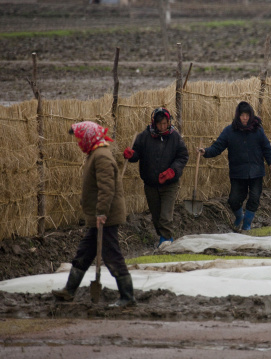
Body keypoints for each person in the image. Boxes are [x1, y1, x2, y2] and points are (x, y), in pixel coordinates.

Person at [52, 121, 136, 307]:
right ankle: (69, 290)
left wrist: (101, 213)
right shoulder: (94, 154)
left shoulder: (102, 157)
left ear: (88, 137)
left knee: (112, 255)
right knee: (84, 252)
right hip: (98, 216)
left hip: (106, 217)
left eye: (80, 138)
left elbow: (106, 188)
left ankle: (127, 297)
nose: (78, 142)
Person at [198, 101, 271, 231]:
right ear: (238, 116)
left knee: (254, 198)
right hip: (238, 172)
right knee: (234, 200)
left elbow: (266, 148)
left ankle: (246, 226)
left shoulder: (258, 130)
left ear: (251, 115)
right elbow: (217, 147)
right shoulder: (229, 131)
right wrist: (206, 152)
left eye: (247, 115)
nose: (245, 118)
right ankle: (239, 217)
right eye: (242, 115)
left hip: (256, 171)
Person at [123, 107, 189, 247]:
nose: (163, 126)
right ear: (154, 123)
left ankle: (166, 241)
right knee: (156, 217)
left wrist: (172, 171)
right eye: (160, 124)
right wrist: (131, 154)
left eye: (165, 123)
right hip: (151, 184)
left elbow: (183, 156)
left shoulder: (175, 137)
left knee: (165, 217)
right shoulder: (144, 137)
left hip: (169, 184)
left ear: (169, 122)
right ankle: (164, 238)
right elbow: (136, 154)